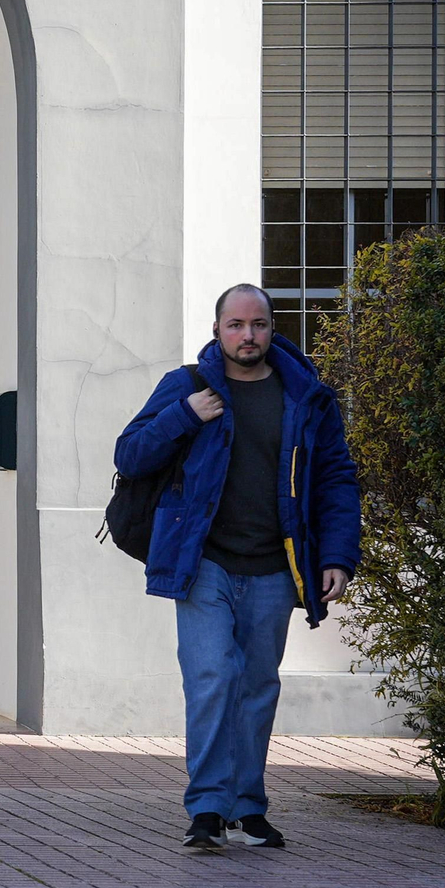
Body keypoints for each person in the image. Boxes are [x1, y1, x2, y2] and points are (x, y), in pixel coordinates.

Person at [114, 283, 360, 851]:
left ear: (272, 329)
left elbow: (336, 479)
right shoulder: (187, 386)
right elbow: (130, 454)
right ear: (217, 329)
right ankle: (206, 808)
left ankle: (247, 807)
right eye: (236, 325)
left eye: (258, 325)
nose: (247, 335)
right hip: (204, 562)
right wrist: (184, 416)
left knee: (256, 687)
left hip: (276, 566)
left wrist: (338, 556)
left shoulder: (307, 395)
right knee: (211, 678)